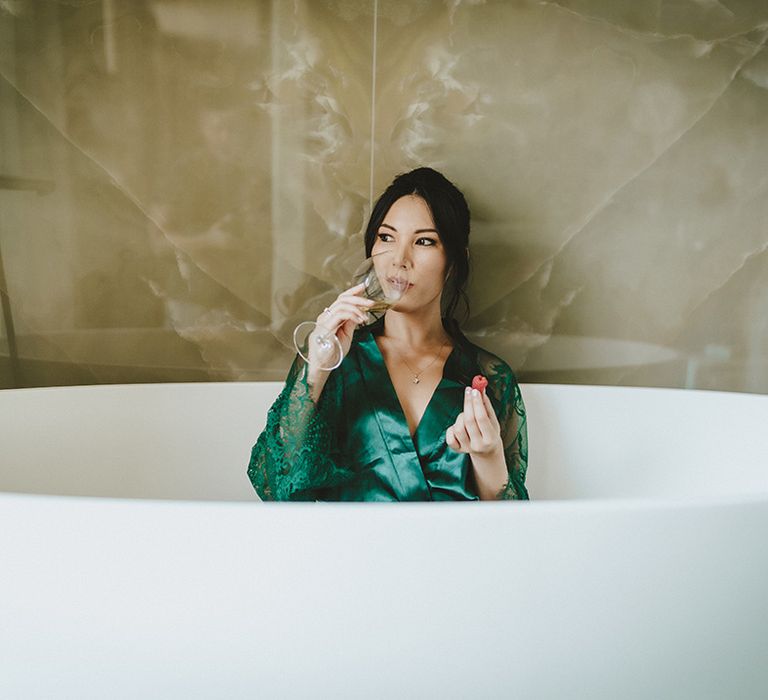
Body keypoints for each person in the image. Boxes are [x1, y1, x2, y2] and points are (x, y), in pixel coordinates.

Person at [247, 167, 528, 501]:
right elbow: (273, 486)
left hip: (451, 551)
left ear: (453, 261)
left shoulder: (489, 377)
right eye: (386, 237)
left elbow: (511, 530)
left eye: (424, 241)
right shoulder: (339, 361)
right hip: (353, 550)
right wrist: (317, 368)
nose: (399, 259)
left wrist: (488, 457)